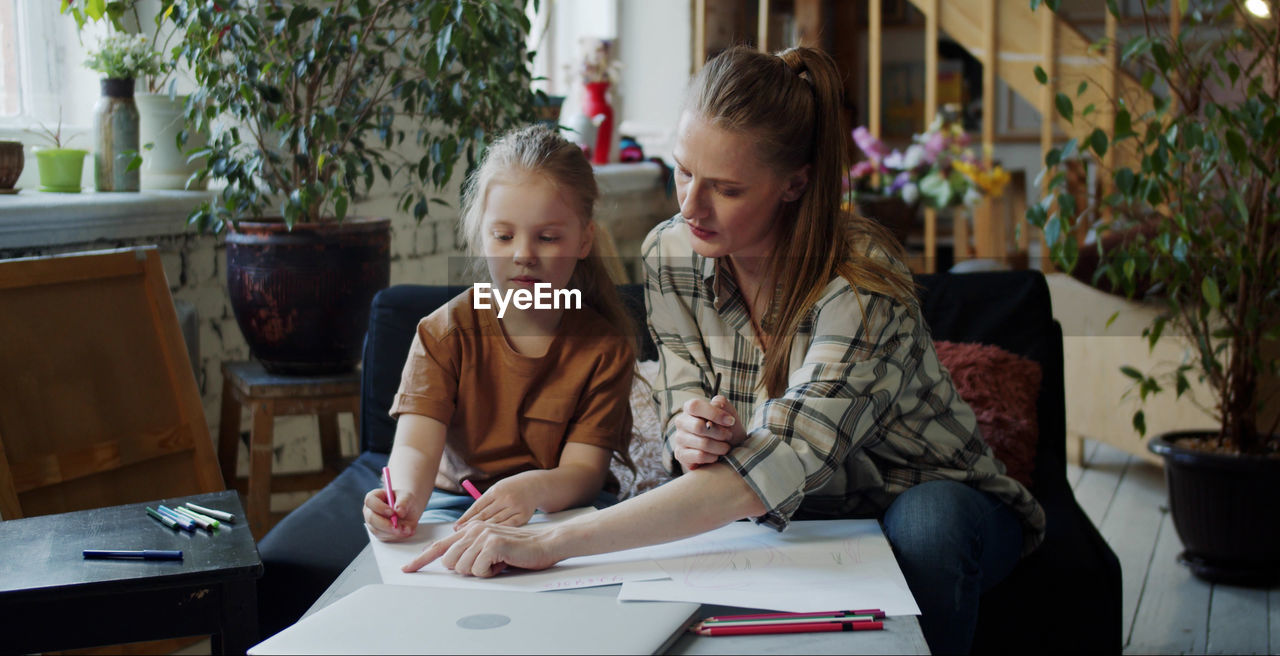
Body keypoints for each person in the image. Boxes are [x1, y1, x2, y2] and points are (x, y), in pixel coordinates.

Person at [404, 47, 1046, 655]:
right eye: (683, 172)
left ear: (793, 185)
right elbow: (686, 410)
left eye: (726, 189)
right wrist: (692, 433)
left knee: (928, 529)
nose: (691, 206)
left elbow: (775, 464)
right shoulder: (671, 255)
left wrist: (555, 541)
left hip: (920, 491)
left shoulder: (861, 282)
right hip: (781, 510)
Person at [363, 124, 637, 540]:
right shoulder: (443, 334)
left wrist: (532, 490)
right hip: (457, 501)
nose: (524, 255)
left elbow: (584, 471)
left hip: (561, 506)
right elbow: (415, 446)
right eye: (504, 236)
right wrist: (402, 499)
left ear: (584, 240)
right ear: (481, 237)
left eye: (547, 237)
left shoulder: (605, 348)